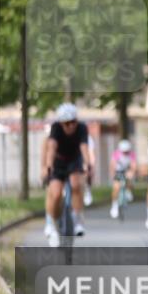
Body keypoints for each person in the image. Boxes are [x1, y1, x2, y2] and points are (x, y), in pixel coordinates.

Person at [42, 103, 95, 245]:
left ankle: (77, 219)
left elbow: (84, 147)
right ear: (61, 123)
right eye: (67, 123)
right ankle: (52, 224)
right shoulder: (56, 128)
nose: (71, 126)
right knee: (56, 193)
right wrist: (48, 166)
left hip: (74, 160)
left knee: (76, 184)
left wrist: (88, 164)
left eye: (73, 122)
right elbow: (51, 148)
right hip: (59, 161)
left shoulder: (82, 128)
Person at [109, 139, 138, 219]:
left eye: (126, 151)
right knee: (116, 187)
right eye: (124, 151)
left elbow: (134, 165)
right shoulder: (116, 154)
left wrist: (132, 172)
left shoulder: (132, 154)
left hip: (127, 170)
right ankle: (114, 206)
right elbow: (112, 165)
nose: (125, 153)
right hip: (118, 171)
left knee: (130, 178)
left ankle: (129, 191)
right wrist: (113, 174)